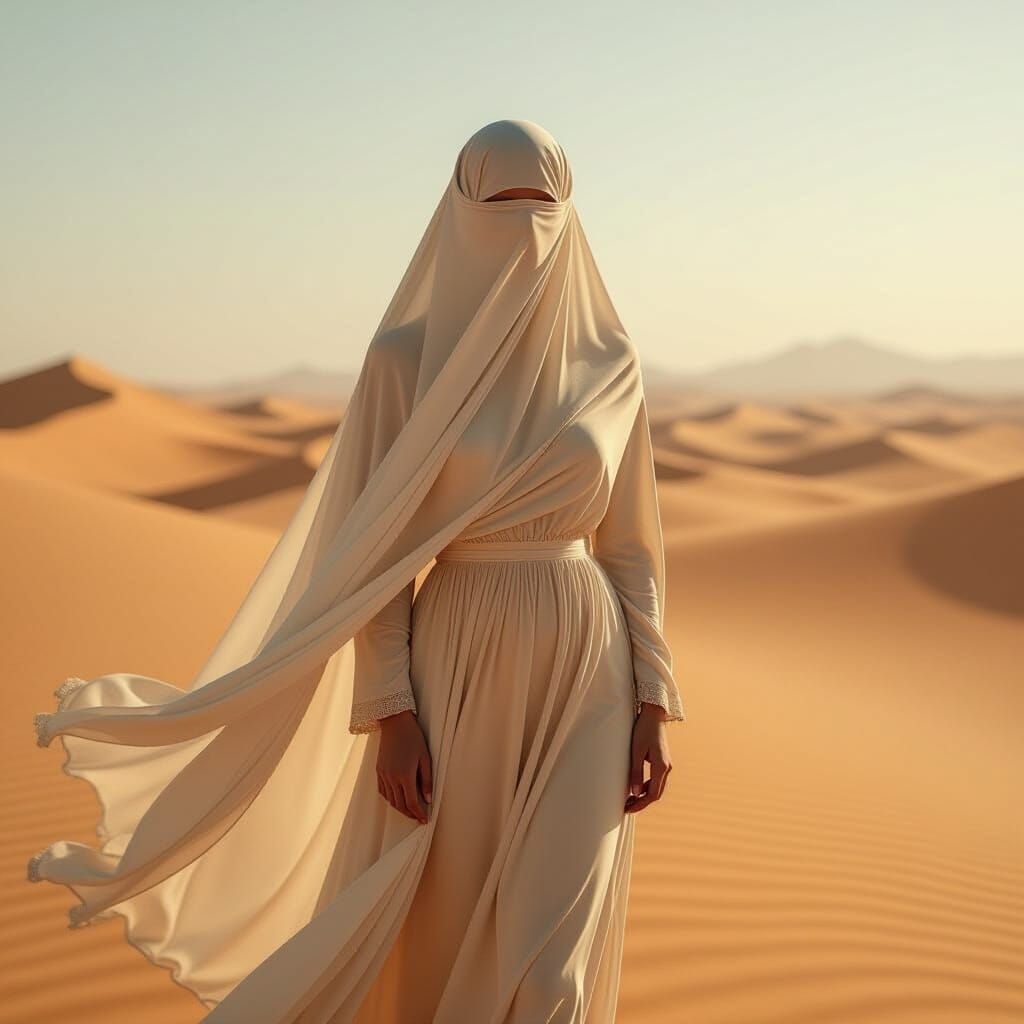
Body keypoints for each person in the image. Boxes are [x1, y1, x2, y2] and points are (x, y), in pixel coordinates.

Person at [29, 118, 685, 1023]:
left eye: (543, 209)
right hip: (454, 665)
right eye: (501, 208)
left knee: (551, 967)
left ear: (570, 217)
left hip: (588, 674)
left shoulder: (612, 366)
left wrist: (655, 701)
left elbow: (632, 550)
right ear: (461, 216)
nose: (522, 231)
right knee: (442, 930)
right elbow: (373, 557)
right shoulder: (405, 364)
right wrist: (391, 711)